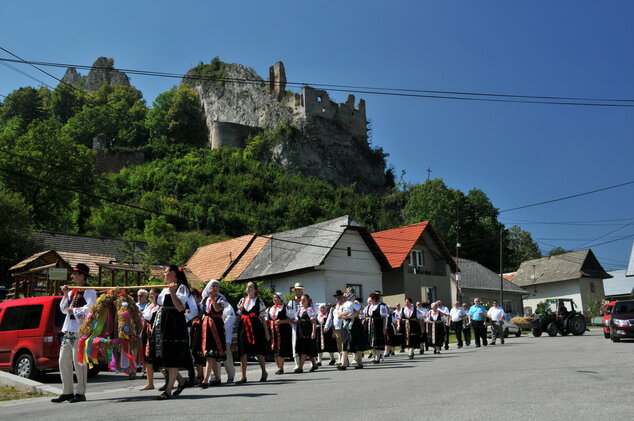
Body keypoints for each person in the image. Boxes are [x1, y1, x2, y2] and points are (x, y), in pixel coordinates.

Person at [52, 263, 96, 403]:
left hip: (80, 331)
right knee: (63, 361)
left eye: (75, 274)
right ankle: (67, 391)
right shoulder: (72, 291)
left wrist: (75, 311)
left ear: (82, 276)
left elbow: (90, 309)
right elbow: (63, 309)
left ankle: (80, 392)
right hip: (68, 330)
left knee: (79, 363)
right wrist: (65, 294)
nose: (72, 276)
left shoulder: (90, 291)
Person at [154, 265, 192, 399]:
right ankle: (181, 381)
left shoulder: (181, 288)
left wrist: (172, 292)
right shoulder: (166, 288)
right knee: (166, 357)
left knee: (173, 357)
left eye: (165, 272)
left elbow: (180, 308)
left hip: (175, 323)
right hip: (166, 323)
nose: (163, 274)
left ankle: (168, 391)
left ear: (173, 273)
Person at [236, 281, 269, 383]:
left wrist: (266, 332)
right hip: (244, 326)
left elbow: (263, 318)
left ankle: (264, 371)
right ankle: (243, 376)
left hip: (256, 327)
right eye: (248, 287)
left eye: (251, 287)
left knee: (259, 351)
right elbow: (238, 315)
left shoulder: (259, 301)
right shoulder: (242, 300)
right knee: (243, 351)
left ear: (255, 290)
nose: (249, 288)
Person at [199, 279, 228, 387]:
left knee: (211, 354)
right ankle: (218, 378)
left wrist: (212, 298)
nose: (216, 288)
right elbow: (201, 311)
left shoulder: (221, 298)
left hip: (216, 326)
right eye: (213, 286)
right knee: (211, 354)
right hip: (207, 327)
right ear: (209, 288)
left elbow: (217, 309)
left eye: (217, 286)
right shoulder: (205, 299)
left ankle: (205, 380)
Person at [338, 287, 367, 370]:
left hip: (354, 324)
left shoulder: (354, 303)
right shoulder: (346, 304)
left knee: (356, 342)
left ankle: (359, 362)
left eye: (348, 293)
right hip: (347, 323)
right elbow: (340, 315)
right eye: (346, 293)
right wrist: (345, 316)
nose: (346, 294)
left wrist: (349, 316)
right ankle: (344, 363)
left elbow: (358, 312)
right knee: (346, 342)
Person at [139, 288, 161, 391]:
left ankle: (176, 378)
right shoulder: (148, 306)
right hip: (146, 331)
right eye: (151, 294)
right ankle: (150, 383)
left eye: (154, 294)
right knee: (148, 358)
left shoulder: (160, 307)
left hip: (155, 333)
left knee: (156, 358)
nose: (151, 296)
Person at [267, 292, 294, 374]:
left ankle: (281, 368)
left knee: (280, 348)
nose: (274, 299)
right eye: (274, 297)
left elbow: (292, 319)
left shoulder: (286, 308)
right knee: (274, 348)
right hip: (272, 330)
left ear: (280, 299)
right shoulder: (270, 308)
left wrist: (282, 321)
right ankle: (278, 367)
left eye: (276, 297)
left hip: (283, 331)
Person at [294, 294, 318, 373]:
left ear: (308, 301)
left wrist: (313, 332)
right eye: (301, 300)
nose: (302, 301)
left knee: (305, 349)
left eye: (304, 300)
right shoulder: (300, 309)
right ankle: (314, 364)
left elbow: (313, 322)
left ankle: (300, 368)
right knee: (306, 349)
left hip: (307, 331)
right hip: (301, 331)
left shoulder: (310, 309)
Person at [366, 292, 388, 364]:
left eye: (371, 298)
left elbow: (384, 318)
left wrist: (384, 327)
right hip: (370, 325)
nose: (369, 300)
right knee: (372, 342)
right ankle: (374, 355)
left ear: (374, 299)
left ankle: (378, 357)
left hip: (378, 325)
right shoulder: (369, 306)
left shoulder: (381, 306)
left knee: (377, 342)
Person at [325, 290, 346, 365]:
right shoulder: (333, 307)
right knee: (339, 344)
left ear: (342, 297)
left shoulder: (345, 305)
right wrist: (327, 326)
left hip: (344, 327)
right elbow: (330, 317)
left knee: (344, 344)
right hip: (337, 327)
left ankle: (344, 360)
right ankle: (342, 359)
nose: (338, 299)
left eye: (340, 297)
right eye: (337, 297)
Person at [218, 300, 237, 383]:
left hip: (224, 335)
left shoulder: (226, 305)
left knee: (227, 356)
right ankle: (215, 377)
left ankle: (231, 375)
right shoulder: (208, 302)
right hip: (213, 334)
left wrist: (220, 327)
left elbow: (231, 317)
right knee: (214, 357)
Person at [287, 283, 304, 371]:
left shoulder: (307, 300)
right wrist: (292, 320)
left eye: (300, 289)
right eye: (297, 290)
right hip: (295, 325)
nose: (298, 291)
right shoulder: (292, 302)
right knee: (295, 343)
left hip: (304, 325)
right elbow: (288, 314)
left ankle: (310, 363)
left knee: (305, 343)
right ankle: (297, 364)